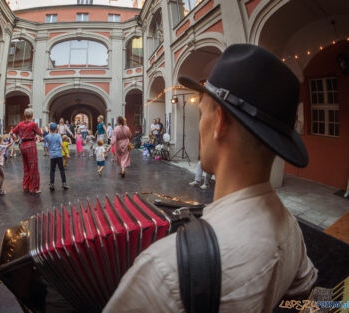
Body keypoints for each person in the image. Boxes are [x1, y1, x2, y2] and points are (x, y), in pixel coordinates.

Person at [104, 44, 318, 313]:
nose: (200, 123)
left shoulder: (164, 270)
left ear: (220, 123)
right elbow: (309, 292)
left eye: (202, 112)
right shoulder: (291, 228)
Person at [11, 109, 42, 195]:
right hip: (31, 145)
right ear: (32, 116)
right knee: (33, 166)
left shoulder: (20, 124)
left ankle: (26, 186)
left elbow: (12, 132)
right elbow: (40, 133)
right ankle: (34, 188)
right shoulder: (33, 124)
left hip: (22, 146)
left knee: (26, 166)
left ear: (25, 115)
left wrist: (16, 139)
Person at [44, 123, 69, 191]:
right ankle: (64, 183)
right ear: (56, 129)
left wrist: (46, 152)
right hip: (59, 155)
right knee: (61, 170)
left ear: (49, 129)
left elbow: (45, 145)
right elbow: (62, 145)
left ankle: (52, 184)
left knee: (52, 170)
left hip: (52, 156)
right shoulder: (58, 136)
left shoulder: (47, 136)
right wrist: (66, 153)